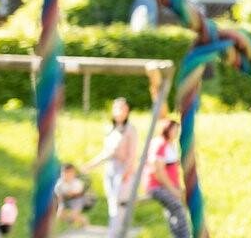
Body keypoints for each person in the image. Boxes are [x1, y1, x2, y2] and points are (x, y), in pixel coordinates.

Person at [84, 97, 139, 227]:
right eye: (117, 108)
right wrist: (90, 165)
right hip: (111, 169)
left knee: (120, 205)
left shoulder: (130, 129)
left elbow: (132, 154)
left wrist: (127, 172)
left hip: (124, 171)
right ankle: (115, 231)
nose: (120, 111)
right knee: (113, 205)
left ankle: (116, 233)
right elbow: (107, 153)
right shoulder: (110, 129)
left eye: (123, 108)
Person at [143, 119, 192, 238]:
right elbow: (158, 171)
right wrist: (173, 190)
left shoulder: (171, 145)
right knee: (177, 208)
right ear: (166, 129)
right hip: (157, 186)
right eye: (173, 129)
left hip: (169, 186)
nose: (176, 132)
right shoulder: (160, 144)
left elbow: (172, 169)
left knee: (173, 214)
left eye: (177, 129)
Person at [53, 163, 94, 229]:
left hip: (77, 200)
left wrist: (69, 193)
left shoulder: (77, 183)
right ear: (61, 174)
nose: (67, 175)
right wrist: (59, 204)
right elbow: (58, 195)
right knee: (59, 214)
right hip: (65, 199)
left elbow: (78, 192)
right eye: (65, 173)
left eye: (70, 173)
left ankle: (83, 220)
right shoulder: (59, 183)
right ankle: (70, 221)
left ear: (74, 174)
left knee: (74, 215)